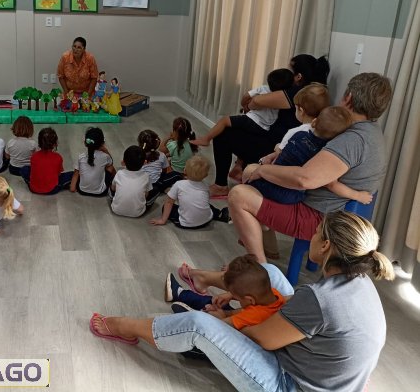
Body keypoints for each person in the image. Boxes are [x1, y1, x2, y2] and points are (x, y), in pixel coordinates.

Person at [90, 210, 394, 392]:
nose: (312, 237)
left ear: (326, 246)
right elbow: (299, 309)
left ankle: (124, 326)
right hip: (329, 376)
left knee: (198, 324)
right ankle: (205, 280)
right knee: (269, 273)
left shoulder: (321, 299)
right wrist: (246, 307)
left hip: (288, 383)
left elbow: (262, 338)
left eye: (316, 233)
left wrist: (227, 321)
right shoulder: (358, 281)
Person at [230, 72, 393, 262]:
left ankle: (260, 265)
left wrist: (263, 170)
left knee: (238, 194)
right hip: (333, 211)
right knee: (254, 173)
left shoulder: (352, 140)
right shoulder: (370, 132)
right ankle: (264, 235)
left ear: (348, 97)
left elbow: (304, 179)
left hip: (320, 219)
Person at [210, 54, 330, 198]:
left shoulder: (298, 93)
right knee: (247, 125)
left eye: (290, 70)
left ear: (298, 76)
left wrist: (248, 105)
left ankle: (221, 186)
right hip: (273, 141)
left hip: (271, 147)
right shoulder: (316, 93)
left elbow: (257, 101)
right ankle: (240, 169)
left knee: (223, 134)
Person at [244, 105, 371, 205]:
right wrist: (358, 195)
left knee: (247, 182)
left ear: (314, 122)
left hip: (269, 182)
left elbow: (280, 154)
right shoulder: (322, 153)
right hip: (290, 195)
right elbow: (332, 184)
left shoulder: (298, 135)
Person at [165, 255, 286, 331]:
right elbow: (244, 311)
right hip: (240, 319)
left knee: (209, 316)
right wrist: (230, 296)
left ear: (250, 299)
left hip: (234, 335)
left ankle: (190, 316)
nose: (235, 298)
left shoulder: (254, 315)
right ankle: (180, 295)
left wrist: (221, 316)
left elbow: (224, 327)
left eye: (238, 298)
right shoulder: (274, 295)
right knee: (217, 303)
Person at [193, 69, 294, 147]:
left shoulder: (263, 88)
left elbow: (246, 96)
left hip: (252, 120)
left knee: (224, 121)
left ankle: (206, 139)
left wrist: (244, 105)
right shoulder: (282, 97)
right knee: (246, 138)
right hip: (265, 127)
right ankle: (239, 163)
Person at [150, 156, 229, 229]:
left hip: (185, 223)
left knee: (166, 207)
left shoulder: (179, 184)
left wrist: (163, 220)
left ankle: (184, 217)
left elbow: (169, 202)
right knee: (207, 205)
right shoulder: (205, 186)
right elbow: (206, 200)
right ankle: (219, 214)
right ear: (206, 175)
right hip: (206, 221)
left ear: (185, 170)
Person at [20, 127, 73, 195]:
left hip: (33, 189)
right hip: (52, 190)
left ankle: (32, 183)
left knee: (24, 169)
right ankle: (63, 186)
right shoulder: (58, 157)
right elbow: (58, 174)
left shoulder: (34, 156)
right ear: (55, 143)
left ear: (39, 142)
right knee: (72, 174)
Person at [138, 129, 182, 204]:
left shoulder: (137, 155)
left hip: (141, 183)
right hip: (156, 183)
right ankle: (162, 189)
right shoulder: (161, 155)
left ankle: (159, 189)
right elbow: (164, 171)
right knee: (177, 174)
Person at [70, 127, 116, 196]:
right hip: (101, 192)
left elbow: (75, 174)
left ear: (85, 143)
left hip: (82, 191)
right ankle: (116, 180)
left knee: (80, 171)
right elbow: (111, 163)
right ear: (102, 143)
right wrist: (106, 150)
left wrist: (72, 188)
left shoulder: (81, 157)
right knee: (110, 168)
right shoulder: (105, 156)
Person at [109, 146, 153, 218]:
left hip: (116, 210)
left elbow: (113, 188)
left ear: (123, 162)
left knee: (111, 186)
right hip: (137, 213)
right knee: (155, 190)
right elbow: (146, 195)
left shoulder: (119, 173)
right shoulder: (146, 176)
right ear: (145, 162)